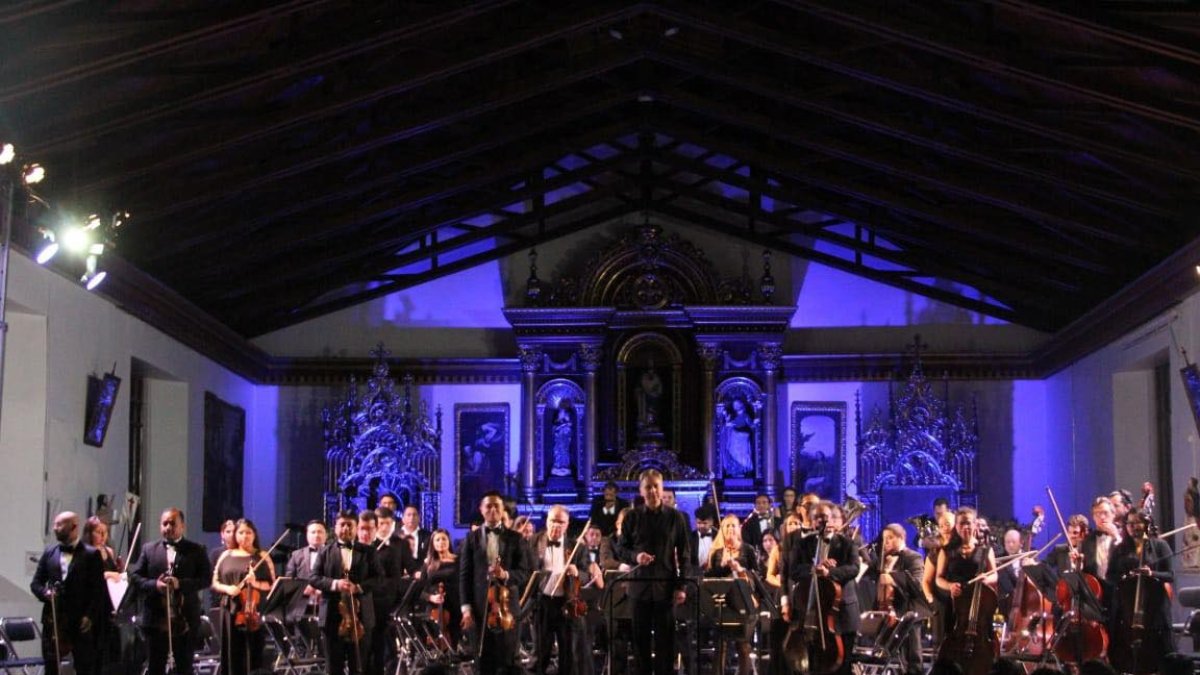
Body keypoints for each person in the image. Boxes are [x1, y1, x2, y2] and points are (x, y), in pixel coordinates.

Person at [613, 469, 690, 675]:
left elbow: (684, 554)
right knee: (640, 644)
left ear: (662, 488)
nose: (653, 491)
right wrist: (636, 556)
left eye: (656, 486)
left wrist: (681, 586)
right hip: (639, 588)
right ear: (641, 490)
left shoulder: (676, 517)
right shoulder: (632, 517)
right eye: (648, 487)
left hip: (666, 589)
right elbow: (621, 549)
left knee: (666, 644)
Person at [780, 500, 861, 675]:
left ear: (832, 519)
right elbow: (793, 570)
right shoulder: (803, 544)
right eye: (816, 517)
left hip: (842, 613)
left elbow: (854, 568)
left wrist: (829, 573)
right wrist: (813, 569)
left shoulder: (847, 543)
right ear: (811, 521)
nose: (821, 521)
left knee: (843, 666)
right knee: (812, 665)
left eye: (824, 517)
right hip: (811, 616)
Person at [127, 508, 212, 675]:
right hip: (156, 619)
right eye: (164, 523)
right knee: (155, 666)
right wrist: (155, 585)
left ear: (182, 526)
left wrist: (181, 584)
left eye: (172, 523)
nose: (168, 527)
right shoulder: (148, 549)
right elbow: (135, 577)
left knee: (184, 667)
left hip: (185, 618)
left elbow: (206, 579)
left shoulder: (197, 550)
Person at [460, 491, 533, 675]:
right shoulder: (471, 538)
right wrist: (466, 609)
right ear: (481, 509)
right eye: (488, 506)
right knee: (483, 661)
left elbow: (524, 572)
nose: (492, 510)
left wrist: (505, 574)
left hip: (507, 608)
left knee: (509, 660)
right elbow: (465, 576)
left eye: (496, 506)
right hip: (479, 608)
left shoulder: (516, 538)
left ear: (502, 510)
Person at [310, 509, 385, 675]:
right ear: (335, 527)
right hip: (331, 617)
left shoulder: (368, 551)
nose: (346, 528)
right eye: (342, 524)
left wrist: (358, 587)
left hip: (361, 617)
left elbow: (380, 578)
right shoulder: (324, 551)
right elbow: (313, 577)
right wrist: (335, 584)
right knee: (333, 668)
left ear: (356, 527)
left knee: (358, 667)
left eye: (350, 525)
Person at [31, 511, 106, 675]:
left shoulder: (91, 554)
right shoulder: (49, 552)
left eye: (59, 525)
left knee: (84, 668)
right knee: (51, 669)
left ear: (73, 527)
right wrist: (45, 593)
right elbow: (35, 584)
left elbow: (98, 590)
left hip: (80, 622)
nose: (55, 528)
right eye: (54, 524)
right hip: (54, 622)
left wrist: (89, 616)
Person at [1106, 507, 1174, 672]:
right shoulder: (1120, 549)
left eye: (1137, 523)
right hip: (1127, 607)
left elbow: (1170, 575)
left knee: (1156, 654)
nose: (1132, 527)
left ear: (1146, 523)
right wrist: (1124, 576)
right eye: (1129, 523)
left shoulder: (1159, 545)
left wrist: (1152, 573)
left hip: (1154, 607)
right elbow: (1110, 576)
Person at [210, 518, 276, 675]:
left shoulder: (262, 556)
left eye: (248, 532)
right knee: (232, 653)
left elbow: (271, 584)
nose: (245, 536)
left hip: (253, 611)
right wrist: (228, 588)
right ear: (235, 535)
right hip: (229, 610)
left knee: (253, 654)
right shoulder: (226, 555)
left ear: (254, 535)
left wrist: (255, 583)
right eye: (241, 532)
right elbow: (214, 582)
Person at [531, 505, 589, 675]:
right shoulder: (533, 542)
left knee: (568, 654)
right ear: (546, 521)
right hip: (542, 603)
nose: (556, 525)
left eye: (561, 522)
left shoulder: (577, 547)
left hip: (567, 604)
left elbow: (586, 575)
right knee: (540, 653)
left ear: (567, 524)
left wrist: (577, 572)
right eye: (552, 521)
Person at [935, 507, 997, 665]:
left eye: (968, 523)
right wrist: (950, 586)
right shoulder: (947, 551)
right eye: (961, 524)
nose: (965, 527)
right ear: (956, 526)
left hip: (980, 604)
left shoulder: (985, 550)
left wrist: (986, 579)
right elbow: (938, 579)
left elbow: (994, 575)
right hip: (956, 605)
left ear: (975, 524)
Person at [866, 523, 926, 675]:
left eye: (890, 538)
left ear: (902, 538)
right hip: (886, 615)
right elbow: (867, 571)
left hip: (907, 613)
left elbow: (917, 584)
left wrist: (892, 578)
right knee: (884, 657)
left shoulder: (914, 557)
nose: (886, 542)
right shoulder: (882, 559)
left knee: (912, 659)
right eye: (884, 538)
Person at [706, 514, 758, 675]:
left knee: (743, 644)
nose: (730, 529)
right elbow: (710, 577)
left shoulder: (748, 549)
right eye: (726, 525)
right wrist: (723, 567)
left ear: (739, 528)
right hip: (722, 603)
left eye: (733, 525)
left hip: (744, 602)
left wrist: (740, 569)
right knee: (720, 644)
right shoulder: (717, 553)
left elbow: (757, 576)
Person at [363, 511, 405, 675]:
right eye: (363, 528)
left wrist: (371, 586)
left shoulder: (389, 550)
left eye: (370, 529)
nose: (366, 533)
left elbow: (394, 580)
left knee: (379, 649)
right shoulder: (353, 550)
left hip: (379, 604)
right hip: (357, 605)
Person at [422, 529, 463, 652]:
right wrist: (431, 597)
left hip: (454, 605)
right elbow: (420, 589)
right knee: (435, 641)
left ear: (449, 541)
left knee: (453, 641)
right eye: (437, 540)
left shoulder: (458, 561)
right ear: (433, 543)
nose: (441, 542)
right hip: (435, 608)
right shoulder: (428, 563)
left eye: (444, 539)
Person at [398, 505, 431, 576]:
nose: (412, 518)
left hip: (421, 574)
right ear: (403, 518)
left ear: (419, 518)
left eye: (414, 515)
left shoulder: (428, 536)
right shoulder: (395, 535)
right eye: (408, 515)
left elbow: (430, 557)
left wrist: (420, 572)